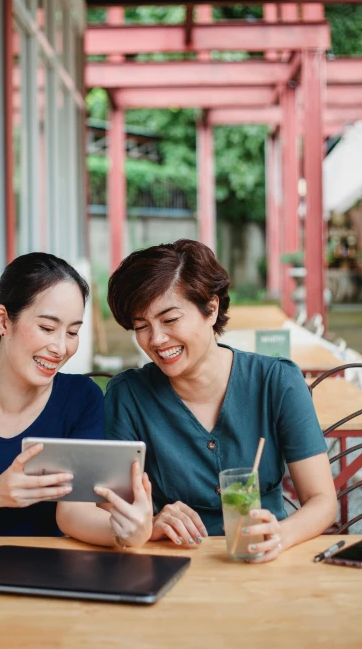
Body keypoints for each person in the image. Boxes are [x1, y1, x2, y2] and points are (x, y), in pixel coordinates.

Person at [104, 239, 337, 563]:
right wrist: (150, 524)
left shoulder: (277, 382)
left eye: (170, 320)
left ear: (211, 309)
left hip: (266, 563)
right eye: (141, 327)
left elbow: (323, 501)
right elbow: (106, 511)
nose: (156, 340)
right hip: (170, 566)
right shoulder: (128, 395)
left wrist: (281, 535)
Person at [0, 252, 153, 548]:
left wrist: (122, 531)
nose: (60, 347)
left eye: (72, 332)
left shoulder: (82, 397)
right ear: (4, 321)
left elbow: (73, 513)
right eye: (47, 328)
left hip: (49, 573)